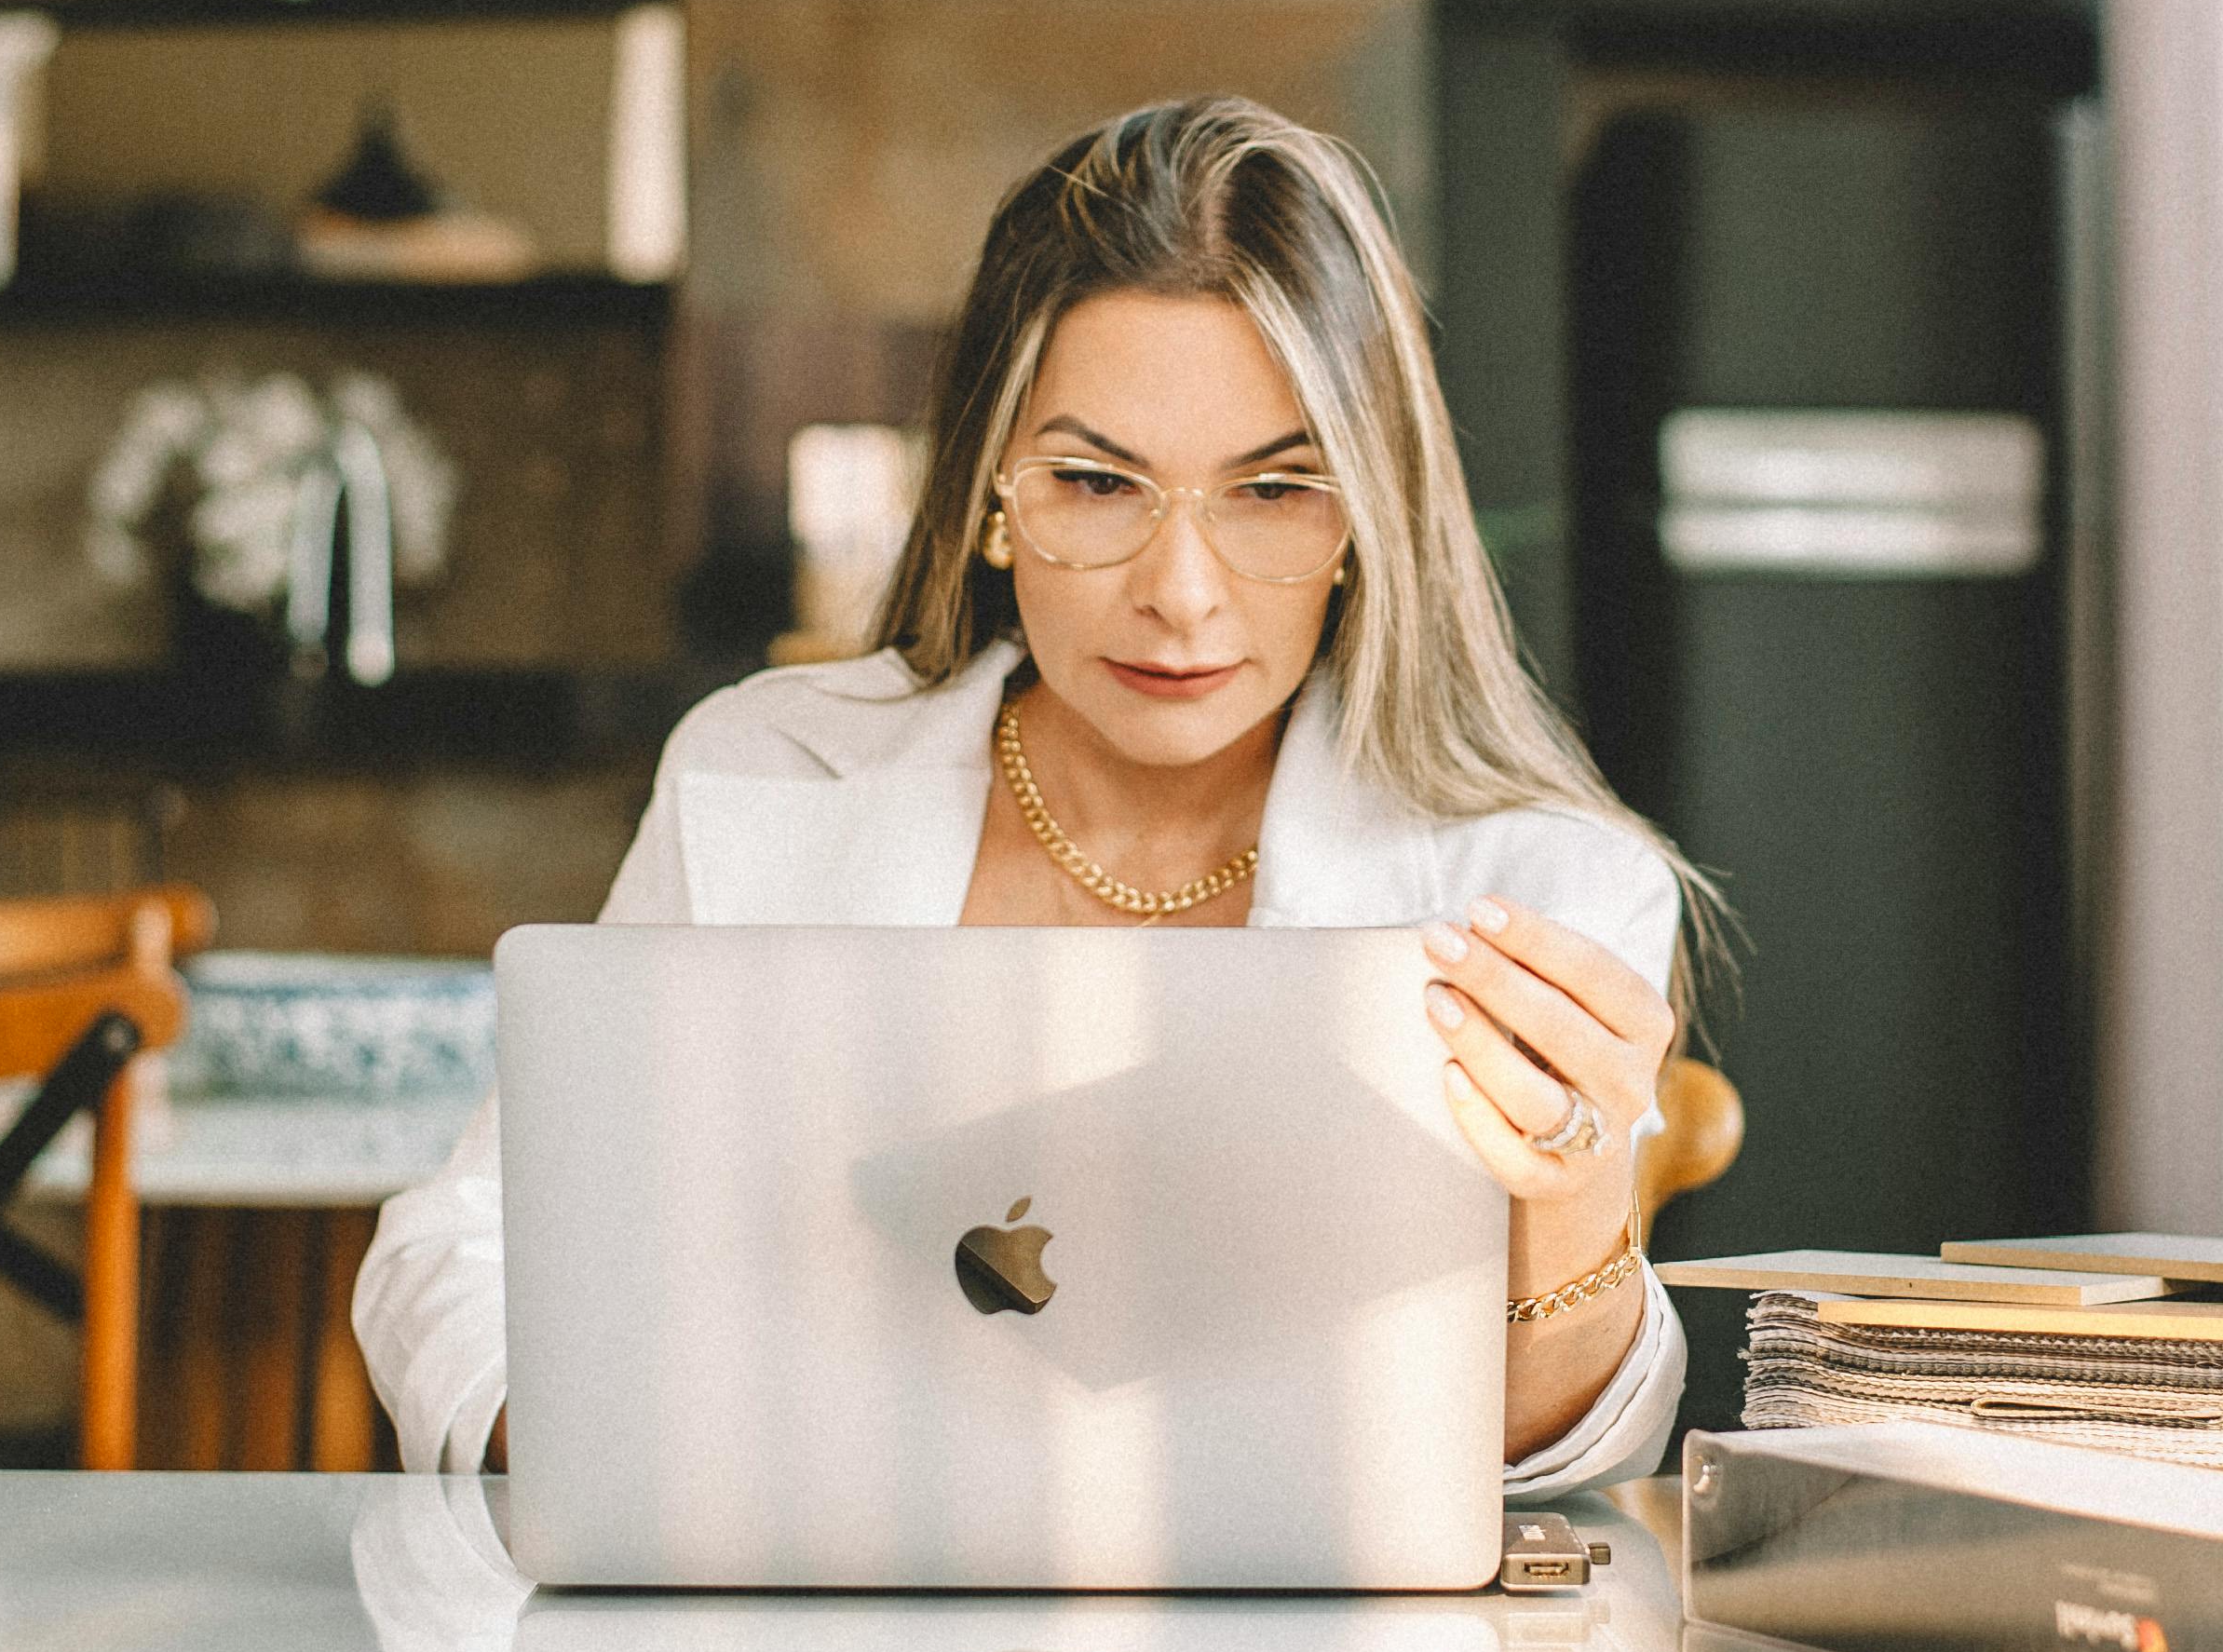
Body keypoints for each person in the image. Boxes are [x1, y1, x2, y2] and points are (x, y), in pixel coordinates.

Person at [353, 96, 1724, 1496]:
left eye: (1271, 493)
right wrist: (642, 1486)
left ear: (1364, 524)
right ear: (993, 498)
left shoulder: (1539, 880)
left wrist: (1566, 1219)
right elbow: (465, 1247)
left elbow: (1544, 1475)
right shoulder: (761, 776)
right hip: (784, 1618)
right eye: (1093, 482)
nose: (1179, 596)